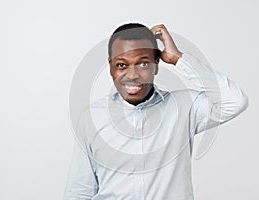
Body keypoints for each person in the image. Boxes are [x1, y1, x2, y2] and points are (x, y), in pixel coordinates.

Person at [64, 23, 249, 200]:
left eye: (143, 64)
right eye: (122, 65)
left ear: (156, 64)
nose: (133, 75)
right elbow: (79, 191)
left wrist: (178, 59)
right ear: (111, 67)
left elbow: (235, 101)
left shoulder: (185, 106)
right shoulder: (92, 117)